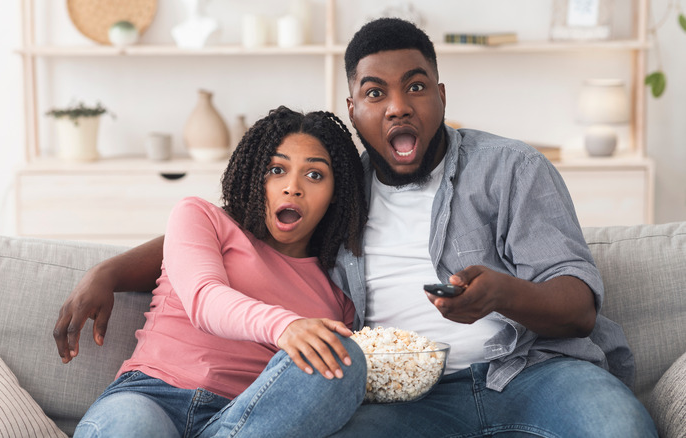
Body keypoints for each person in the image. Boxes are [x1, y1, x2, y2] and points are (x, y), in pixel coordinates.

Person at [56, 18, 658, 437]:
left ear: (442, 96)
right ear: (354, 111)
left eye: (415, 87)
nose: (398, 105)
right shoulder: (340, 190)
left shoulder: (513, 169)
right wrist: (108, 270)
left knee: (618, 426)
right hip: (410, 397)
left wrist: (501, 293)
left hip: (533, 371)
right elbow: (230, 234)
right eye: (376, 93)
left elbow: (578, 309)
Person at [63, 106, 369, 437]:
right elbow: (205, 299)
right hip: (150, 396)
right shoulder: (202, 218)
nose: (292, 187)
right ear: (254, 175)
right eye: (276, 169)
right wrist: (285, 326)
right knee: (132, 428)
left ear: (336, 193)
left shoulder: (338, 295)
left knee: (344, 358)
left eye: (314, 175)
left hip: (242, 420)